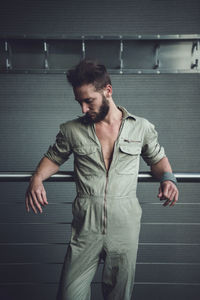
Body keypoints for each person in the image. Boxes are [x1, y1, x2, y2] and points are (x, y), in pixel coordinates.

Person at [25, 59, 179, 300]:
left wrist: (168, 179)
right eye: (80, 102)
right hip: (86, 226)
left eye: (89, 101)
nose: (84, 109)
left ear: (107, 91)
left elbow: (158, 160)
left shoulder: (142, 128)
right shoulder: (72, 130)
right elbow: (53, 158)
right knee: (69, 294)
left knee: (118, 296)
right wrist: (36, 178)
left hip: (125, 225)